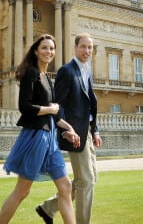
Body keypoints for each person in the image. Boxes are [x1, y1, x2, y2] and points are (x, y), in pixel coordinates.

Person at [0, 34, 79, 224]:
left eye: (51, 48)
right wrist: (50, 108)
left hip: (50, 138)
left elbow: (53, 115)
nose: (48, 52)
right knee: (22, 191)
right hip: (35, 138)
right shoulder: (32, 73)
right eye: (44, 48)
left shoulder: (46, 77)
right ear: (36, 50)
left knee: (66, 186)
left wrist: (69, 128)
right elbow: (24, 107)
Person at [37, 32, 103, 224]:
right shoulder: (67, 70)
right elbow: (59, 104)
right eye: (83, 46)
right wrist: (66, 129)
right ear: (75, 48)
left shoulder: (87, 70)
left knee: (89, 178)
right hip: (74, 133)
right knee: (87, 181)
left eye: (90, 47)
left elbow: (90, 104)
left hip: (88, 132)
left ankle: (47, 208)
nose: (87, 50)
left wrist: (95, 130)